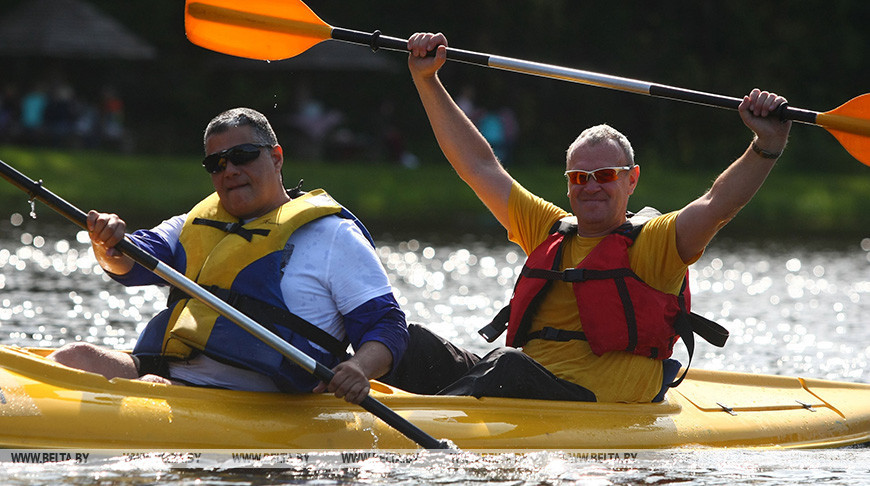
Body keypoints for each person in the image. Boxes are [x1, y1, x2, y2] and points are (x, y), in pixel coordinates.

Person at [397, 32, 791, 403]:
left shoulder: (656, 243)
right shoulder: (549, 229)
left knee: (507, 364)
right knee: (410, 343)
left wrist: (766, 145)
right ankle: (345, 387)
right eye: (579, 177)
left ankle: (436, 416)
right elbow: (479, 167)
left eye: (605, 176)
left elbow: (718, 203)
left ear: (631, 179)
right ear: (568, 182)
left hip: (585, 401)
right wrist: (427, 80)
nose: (591, 187)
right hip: (517, 383)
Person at [48, 107, 409, 404]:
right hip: (170, 376)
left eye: (242, 156)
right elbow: (129, 263)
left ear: (277, 156)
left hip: (259, 400)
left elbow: (387, 324)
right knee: (75, 356)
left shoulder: (333, 237)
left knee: (151, 394)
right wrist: (106, 242)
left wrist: (359, 368)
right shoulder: (193, 224)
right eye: (216, 164)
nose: (230, 170)